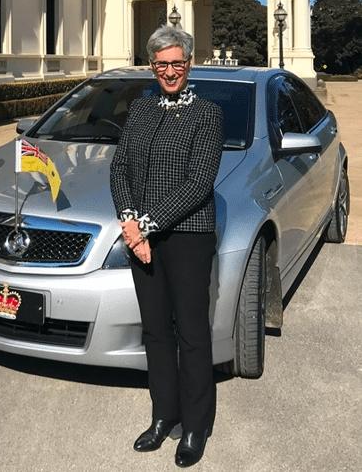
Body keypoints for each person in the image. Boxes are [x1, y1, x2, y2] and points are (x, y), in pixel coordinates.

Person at [110, 26, 223, 468]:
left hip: (188, 237)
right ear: (152, 66)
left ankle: (195, 425)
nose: (170, 71)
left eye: (178, 63)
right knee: (155, 332)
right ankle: (163, 417)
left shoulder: (208, 114)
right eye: (162, 64)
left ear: (189, 64)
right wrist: (129, 221)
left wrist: (145, 227)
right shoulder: (139, 110)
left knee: (191, 334)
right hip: (141, 239)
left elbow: (199, 183)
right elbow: (120, 168)